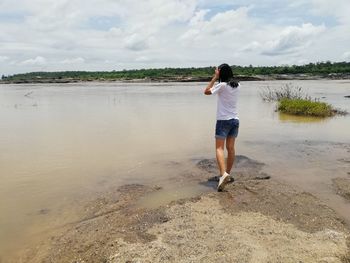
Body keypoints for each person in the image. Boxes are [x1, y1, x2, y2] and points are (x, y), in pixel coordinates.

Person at [204, 63, 240, 191]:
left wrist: (214, 77)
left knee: (219, 148)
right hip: (235, 120)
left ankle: (223, 174)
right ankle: (227, 174)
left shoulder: (222, 85)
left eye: (218, 71)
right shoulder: (237, 85)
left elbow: (206, 91)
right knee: (230, 148)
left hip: (223, 121)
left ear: (220, 73)